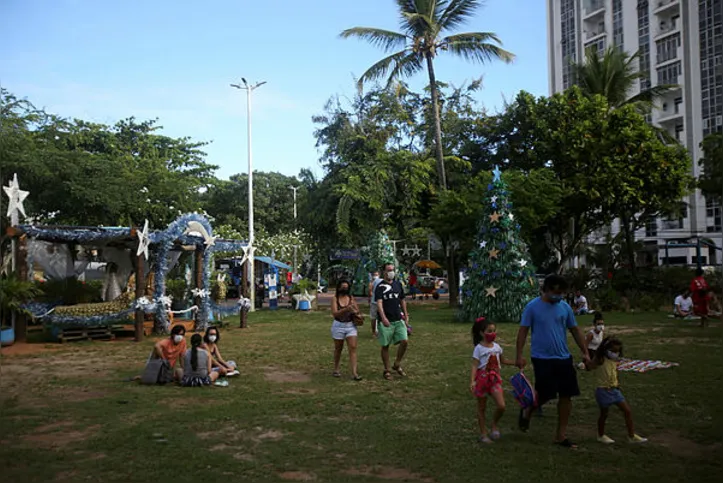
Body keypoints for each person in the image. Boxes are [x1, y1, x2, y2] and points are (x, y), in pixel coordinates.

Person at [515, 274, 590, 449]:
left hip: (563, 357)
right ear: (545, 290)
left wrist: (585, 352)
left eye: (562, 292)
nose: (558, 295)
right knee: (545, 394)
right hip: (542, 358)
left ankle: (560, 436)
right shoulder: (532, 307)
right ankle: (527, 411)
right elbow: (523, 332)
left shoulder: (565, 307)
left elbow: (575, 330)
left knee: (566, 395)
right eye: (555, 292)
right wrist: (519, 355)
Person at [585, 336, 648, 444]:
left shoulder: (614, 360)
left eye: (618, 351)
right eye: (613, 351)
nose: (616, 353)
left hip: (614, 390)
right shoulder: (600, 359)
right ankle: (601, 435)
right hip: (603, 391)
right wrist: (586, 360)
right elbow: (589, 367)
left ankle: (631, 436)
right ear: (606, 350)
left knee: (627, 411)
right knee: (604, 414)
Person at [470, 317, 517, 443]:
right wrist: (472, 381)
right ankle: (483, 433)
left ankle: (494, 425)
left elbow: (503, 361)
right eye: (489, 331)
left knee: (501, 406)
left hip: (495, 379)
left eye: (494, 331)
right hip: (482, 380)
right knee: (482, 408)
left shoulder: (497, 347)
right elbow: (475, 365)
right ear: (481, 333)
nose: (493, 334)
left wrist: (516, 363)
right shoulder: (478, 348)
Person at [375, 263, 411, 380]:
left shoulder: (398, 284)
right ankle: (387, 370)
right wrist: (383, 317)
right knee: (385, 345)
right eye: (389, 270)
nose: (391, 272)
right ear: (384, 272)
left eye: (392, 270)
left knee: (404, 341)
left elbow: (402, 300)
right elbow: (379, 303)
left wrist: (405, 315)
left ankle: (397, 363)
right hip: (386, 320)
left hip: (398, 318)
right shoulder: (380, 286)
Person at [330, 279, 362, 380]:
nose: (344, 289)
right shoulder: (335, 298)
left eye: (346, 287)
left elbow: (357, 310)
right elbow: (335, 313)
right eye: (342, 287)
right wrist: (346, 309)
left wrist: (356, 313)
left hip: (350, 326)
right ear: (339, 288)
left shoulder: (350, 298)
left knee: (352, 348)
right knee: (338, 348)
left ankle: (354, 373)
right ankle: (336, 369)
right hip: (338, 325)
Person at [368, 271, 382, 338]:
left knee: (374, 317)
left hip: (374, 301)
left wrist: (370, 297)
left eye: (376, 274)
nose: (375, 276)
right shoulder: (383, 281)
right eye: (374, 274)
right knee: (381, 317)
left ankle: (374, 333)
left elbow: (370, 291)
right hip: (381, 302)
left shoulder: (372, 282)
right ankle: (378, 332)